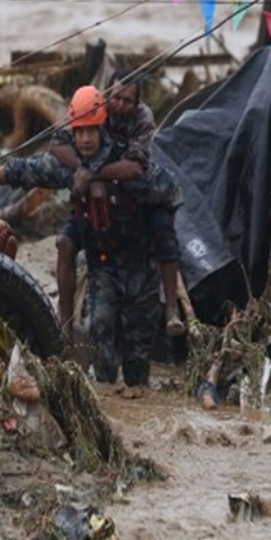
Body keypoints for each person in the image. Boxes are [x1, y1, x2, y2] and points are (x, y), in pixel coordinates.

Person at [0, 86, 176, 388]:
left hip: (140, 269)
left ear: (102, 128)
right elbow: (22, 171)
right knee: (100, 333)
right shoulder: (71, 166)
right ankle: (104, 397)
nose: (85, 139)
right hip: (103, 266)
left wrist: (116, 183)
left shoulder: (126, 162)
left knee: (137, 361)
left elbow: (167, 188)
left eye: (91, 131)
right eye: (79, 132)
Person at [47, 69, 186, 338]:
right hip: (99, 196)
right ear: (106, 95)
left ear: (137, 103)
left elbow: (134, 167)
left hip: (140, 194)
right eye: (116, 98)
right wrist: (81, 169)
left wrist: (94, 174)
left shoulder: (144, 119)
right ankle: (64, 323)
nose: (120, 105)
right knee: (66, 242)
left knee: (163, 233)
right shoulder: (95, 107)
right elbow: (56, 142)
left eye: (127, 101)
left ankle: (171, 309)